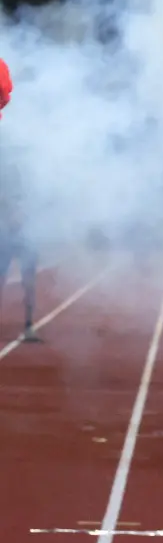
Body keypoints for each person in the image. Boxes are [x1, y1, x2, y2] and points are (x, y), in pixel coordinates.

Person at [0, 56, 40, 343]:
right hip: (5, 233)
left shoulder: (22, 172)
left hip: (22, 232)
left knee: (29, 279)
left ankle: (28, 325)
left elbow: (30, 198)